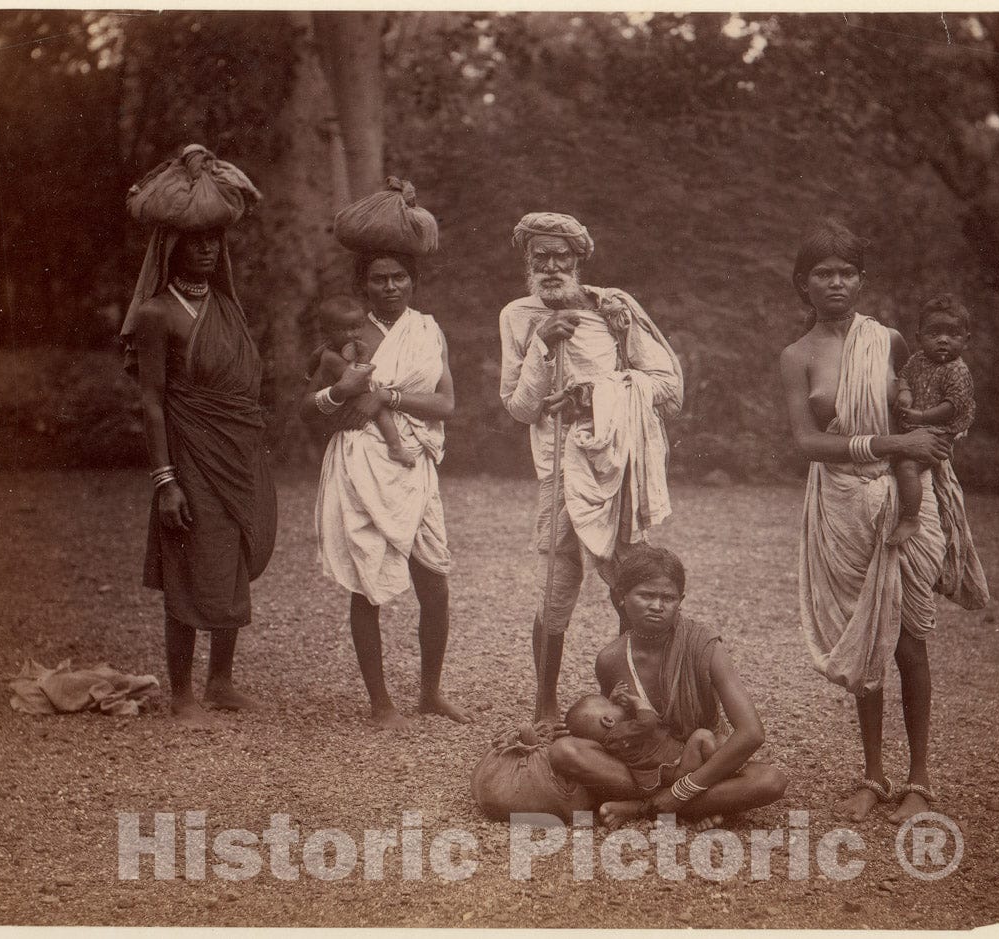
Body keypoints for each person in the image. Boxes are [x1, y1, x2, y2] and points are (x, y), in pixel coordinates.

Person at [779, 218, 959, 822]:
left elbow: (922, 415)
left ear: (861, 280)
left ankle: (919, 778)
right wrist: (888, 446)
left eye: (846, 272)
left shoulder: (890, 342)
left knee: (910, 638)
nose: (835, 283)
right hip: (843, 501)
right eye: (822, 273)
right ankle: (873, 774)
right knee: (866, 637)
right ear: (803, 283)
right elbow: (806, 441)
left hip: (905, 498)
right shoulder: (797, 355)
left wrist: (916, 448)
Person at [499, 212, 684, 724]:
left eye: (562, 256)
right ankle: (544, 705)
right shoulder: (517, 315)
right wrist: (542, 344)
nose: (552, 266)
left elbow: (668, 388)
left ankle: (637, 697)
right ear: (528, 262)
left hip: (617, 466)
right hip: (558, 468)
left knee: (625, 582)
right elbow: (517, 407)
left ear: (579, 260)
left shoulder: (614, 309)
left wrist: (595, 396)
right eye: (541, 257)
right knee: (558, 583)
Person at [302, 250, 470, 730]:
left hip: (412, 462)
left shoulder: (426, 330)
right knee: (367, 583)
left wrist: (388, 396)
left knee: (434, 582)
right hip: (363, 463)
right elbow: (304, 408)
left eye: (400, 277)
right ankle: (381, 704)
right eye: (379, 279)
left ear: (413, 281)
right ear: (365, 284)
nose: (391, 286)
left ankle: (430, 692)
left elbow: (446, 403)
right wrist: (339, 393)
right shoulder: (347, 336)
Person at [122, 223, 277, 730]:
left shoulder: (228, 307)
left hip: (238, 450)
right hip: (189, 452)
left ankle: (221, 682)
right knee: (187, 560)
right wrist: (165, 480)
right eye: (196, 240)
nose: (208, 247)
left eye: (215, 239)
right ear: (171, 247)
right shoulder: (156, 313)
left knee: (232, 553)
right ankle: (183, 694)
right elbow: (151, 400)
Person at [547, 546, 788, 826]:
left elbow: (752, 733)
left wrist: (683, 791)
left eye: (668, 598)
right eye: (646, 595)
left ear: (680, 601)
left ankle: (643, 808)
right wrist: (581, 729)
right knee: (564, 751)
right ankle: (695, 807)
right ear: (620, 597)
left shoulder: (704, 646)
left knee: (770, 780)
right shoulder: (611, 659)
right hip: (648, 767)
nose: (657, 606)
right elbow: (620, 733)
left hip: (699, 758)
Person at [887, 294, 977, 546]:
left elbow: (952, 406)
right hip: (914, 425)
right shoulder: (917, 360)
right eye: (934, 333)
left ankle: (911, 518)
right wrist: (904, 391)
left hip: (938, 431)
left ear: (966, 340)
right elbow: (903, 375)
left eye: (953, 334)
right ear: (919, 338)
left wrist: (921, 415)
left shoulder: (957, 370)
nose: (943, 340)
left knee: (906, 467)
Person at [308, 299, 415, 468]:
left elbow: (314, 357)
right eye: (343, 329)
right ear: (327, 331)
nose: (352, 334)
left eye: (356, 327)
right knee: (381, 410)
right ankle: (395, 447)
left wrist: (308, 375)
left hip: (348, 396)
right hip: (349, 399)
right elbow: (359, 380)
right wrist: (364, 356)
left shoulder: (332, 347)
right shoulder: (331, 356)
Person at [564, 683, 718, 794]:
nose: (621, 705)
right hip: (678, 769)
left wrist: (611, 702)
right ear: (608, 721)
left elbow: (625, 721)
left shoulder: (613, 743)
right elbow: (648, 722)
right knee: (702, 737)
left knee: (717, 742)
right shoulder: (621, 732)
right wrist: (637, 701)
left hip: (668, 773)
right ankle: (719, 780)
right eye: (613, 704)